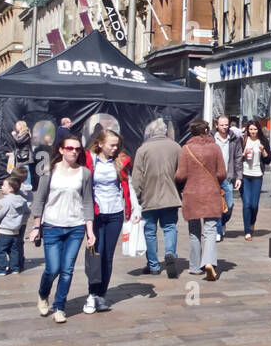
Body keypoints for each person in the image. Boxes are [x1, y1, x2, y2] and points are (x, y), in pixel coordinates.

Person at [31, 135, 96, 321]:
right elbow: (40, 200)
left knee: (67, 270)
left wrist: (89, 231)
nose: (74, 152)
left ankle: (59, 307)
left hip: (75, 227)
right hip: (52, 225)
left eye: (77, 149)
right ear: (61, 150)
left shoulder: (84, 173)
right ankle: (43, 294)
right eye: (69, 148)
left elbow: (87, 202)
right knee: (53, 269)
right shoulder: (48, 170)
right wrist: (36, 227)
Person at [83, 127, 138, 313]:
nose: (115, 148)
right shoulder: (89, 160)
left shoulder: (120, 161)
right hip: (96, 214)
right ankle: (92, 293)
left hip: (115, 212)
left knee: (107, 256)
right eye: (111, 145)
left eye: (117, 145)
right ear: (100, 144)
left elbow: (128, 185)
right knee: (95, 254)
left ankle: (101, 295)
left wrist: (135, 209)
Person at [132, 118, 182, 277]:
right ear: (165, 132)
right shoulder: (176, 147)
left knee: (150, 232)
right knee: (170, 227)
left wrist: (136, 197)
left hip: (149, 197)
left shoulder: (142, 150)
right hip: (171, 195)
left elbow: (137, 177)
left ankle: (153, 265)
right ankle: (170, 254)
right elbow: (181, 173)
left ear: (151, 133)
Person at [176, 119, 225, 280]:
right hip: (211, 192)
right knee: (211, 230)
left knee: (194, 231)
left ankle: (195, 266)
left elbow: (181, 175)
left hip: (192, 193)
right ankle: (209, 262)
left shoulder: (186, 149)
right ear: (206, 131)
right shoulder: (215, 148)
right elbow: (221, 174)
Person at [0, 175, 30, 276]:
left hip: (4, 231)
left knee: (0, 250)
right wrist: (21, 221)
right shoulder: (22, 200)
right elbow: (27, 212)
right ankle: (15, 268)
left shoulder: (4, 201)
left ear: (11, 188)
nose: (1, 187)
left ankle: (1, 269)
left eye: (4, 185)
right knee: (14, 251)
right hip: (16, 231)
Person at [213, 115, 243, 242]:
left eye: (226, 125)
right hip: (213, 177)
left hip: (228, 176)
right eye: (222, 125)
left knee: (229, 205)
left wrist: (239, 177)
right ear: (216, 126)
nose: (225, 127)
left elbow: (238, 158)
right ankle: (218, 231)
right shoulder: (211, 139)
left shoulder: (234, 139)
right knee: (216, 205)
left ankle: (223, 222)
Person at [239, 121, 270, 240]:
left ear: (258, 130)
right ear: (247, 130)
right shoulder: (243, 140)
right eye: (251, 129)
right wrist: (243, 155)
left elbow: (268, 160)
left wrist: (263, 151)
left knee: (254, 205)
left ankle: (252, 222)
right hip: (245, 175)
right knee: (246, 204)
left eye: (255, 129)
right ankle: (247, 230)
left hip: (257, 175)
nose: (253, 132)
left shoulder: (263, 141)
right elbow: (238, 157)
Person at [9, 120, 35, 188]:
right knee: (19, 170)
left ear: (21, 126)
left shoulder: (26, 134)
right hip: (19, 156)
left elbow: (19, 141)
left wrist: (14, 135)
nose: (16, 127)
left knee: (25, 170)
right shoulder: (20, 134)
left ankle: (27, 185)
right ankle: (21, 185)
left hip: (25, 156)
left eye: (17, 125)